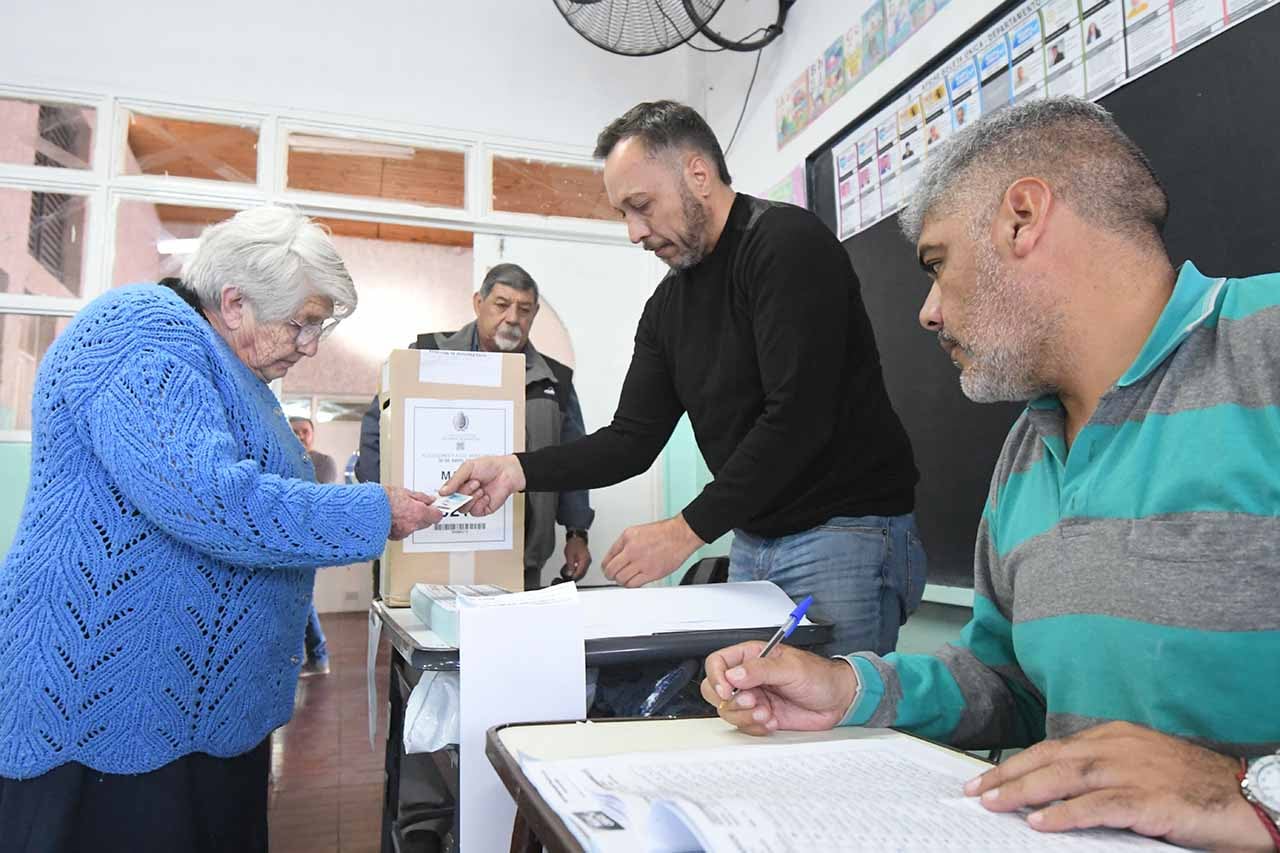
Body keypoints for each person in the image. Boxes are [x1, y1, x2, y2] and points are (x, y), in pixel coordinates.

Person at [700, 97, 1280, 850]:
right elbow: (1008, 685)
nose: (928, 312)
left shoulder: (1264, 349)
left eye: (937, 263)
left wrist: (1248, 788)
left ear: (1022, 217)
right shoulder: (1027, 450)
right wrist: (846, 687)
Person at [0, 206, 443, 852]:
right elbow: (212, 499)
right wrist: (376, 511)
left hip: (190, 722)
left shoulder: (224, 364)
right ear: (234, 302)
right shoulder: (139, 331)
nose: (313, 343)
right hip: (113, 719)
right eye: (305, 321)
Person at [443, 101, 923, 657]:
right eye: (623, 212)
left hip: (845, 534)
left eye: (641, 206)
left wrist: (685, 529)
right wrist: (516, 469)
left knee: (838, 728)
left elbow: (798, 416)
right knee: (757, 719)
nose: (632, 232)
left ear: (698, 174)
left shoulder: (786, 245)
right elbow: (631, 440)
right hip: (754, 538)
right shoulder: (667, 307)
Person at [356, 262, 594, 589]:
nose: (513, 317)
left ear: (534, 314)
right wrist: (386, 502)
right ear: (477, 303)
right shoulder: (426, 355)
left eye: (524, 309)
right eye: (501, 304)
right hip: (424, 549)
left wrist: (577, 531)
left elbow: (572, 462)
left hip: (517, 561)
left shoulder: (555, 381)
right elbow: (375, 431)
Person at [289, 415, 337, 676]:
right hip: (285, 541)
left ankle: (318, 656)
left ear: (313, 434)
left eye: (304, 431)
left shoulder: (323, 463)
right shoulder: (281, 458)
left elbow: (319, 501)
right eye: (294, 431)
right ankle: (315, 656)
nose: (299, 436)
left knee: (303, 597)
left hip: (309, 542)